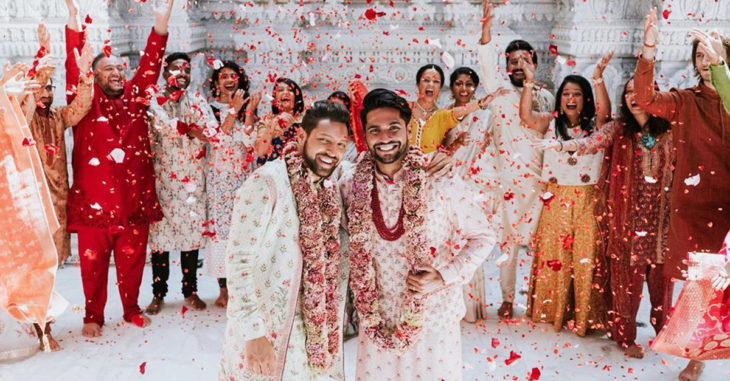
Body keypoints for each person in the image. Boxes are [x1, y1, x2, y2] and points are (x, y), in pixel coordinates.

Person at [340, 89, 497, 380]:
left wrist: (444, 276)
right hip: (377, 321)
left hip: (434, 321)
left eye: (393, 128)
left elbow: (484, 237)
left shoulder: (440, 179)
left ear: (409, 128)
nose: (384, 137)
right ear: (365, 134)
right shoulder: (351, 186)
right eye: (375, 130)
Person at [535, 76, 674, 356]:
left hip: (663, 222)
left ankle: (666, 333)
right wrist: (562, 147)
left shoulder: (670, 131)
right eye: (628, 92)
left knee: (662, 285)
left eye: (641, 91)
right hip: (627, 222)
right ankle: (626, 339)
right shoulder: (619, 129)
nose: (633, 97)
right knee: (627, 284)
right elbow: (592, 142)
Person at [63, 0, 174, 337]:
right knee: (92, 268)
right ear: (94, 76)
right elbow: (74, 66)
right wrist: (72, 23)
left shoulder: (137, 97)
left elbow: (152, 64)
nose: (116, 73)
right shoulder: (84, 102)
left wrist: (160, 23)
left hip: (133, 203)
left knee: (132, 264)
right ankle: (92, 316)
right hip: (93, 206)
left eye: (119, 68)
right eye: (107, 68)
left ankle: (130, 309)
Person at [219, 101, 351, 380]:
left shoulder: (331, 185)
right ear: (302, 136)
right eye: (324, 140)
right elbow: (238, 261)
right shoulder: (267, 183)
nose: (333, 152)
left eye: (341, 144)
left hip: (313, 336)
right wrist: (254, 334)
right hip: (268, 333)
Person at [634, 9, 730, 381]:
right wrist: (648, 48)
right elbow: (644, 97)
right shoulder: (684, 101)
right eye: (700, 55)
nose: (705, 61)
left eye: (713, 53)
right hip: (695, 209)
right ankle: (696, 358)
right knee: (699, 285)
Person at [520, 51, 612, 336]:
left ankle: (585, 315)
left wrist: (597, 79)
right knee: (555, 256)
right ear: (560, 99)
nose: (571, 98)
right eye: (566, 94)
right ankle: (551, 311)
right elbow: (525, 117)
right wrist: (528, 83)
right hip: (556, 197)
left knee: (586, 255)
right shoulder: (550, 124)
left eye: (577, 94)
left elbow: (606, 113)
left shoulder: (595, 125)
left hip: (587, 198)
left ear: (585, 98)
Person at [476, 0, 555, 319]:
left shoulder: (546, 95)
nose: (520, 65)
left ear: (534, 62)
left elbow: (534, 123)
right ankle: (507, 299)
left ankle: (540, 299)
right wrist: (486, 32)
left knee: (538, 244)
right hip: (506, 180)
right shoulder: (499, 93)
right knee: (507, 245)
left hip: (536, 181)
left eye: (525, 59)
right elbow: (485, 65)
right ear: (506, 66)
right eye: (513, 61)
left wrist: (532, 84)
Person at [145, 52, 217, 314]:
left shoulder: (197, 99)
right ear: (165, 73)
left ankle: (190, 290)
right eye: (177, 69)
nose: (183, 74)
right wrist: (189, 128)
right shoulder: (155, 100)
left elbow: (210, 132)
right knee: (160, 240)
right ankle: (158, 293)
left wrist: (192, 129)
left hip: (192, 180)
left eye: (187, 70)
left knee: (190, 237)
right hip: (163, 178)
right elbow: (162, 125)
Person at [27, 23, 93, 268]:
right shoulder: (26, 116)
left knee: (56, 244)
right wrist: (44, 51)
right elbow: (31, 95)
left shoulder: (57, 115)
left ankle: (55, 265)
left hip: (58, 191)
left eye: (50, 88)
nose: (46, 93)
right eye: (41, 89)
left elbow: (80, 108)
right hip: (33, 190)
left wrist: (86, 79)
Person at [442, 66, 506, 322]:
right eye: (459, 83)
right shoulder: (445, 114)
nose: (464, 89)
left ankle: (471, 309)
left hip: (474, 188)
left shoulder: (486, 117)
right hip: (448, 185)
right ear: (452, 87)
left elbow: (493, 150)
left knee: (470, 243)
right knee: (449, 246)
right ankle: (449, 307)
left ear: (476, 87)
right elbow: (441, 147)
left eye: (469, 84)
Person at [205, 61, 260, 308]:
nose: (229, 79)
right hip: (219, 179)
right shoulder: (211, 109)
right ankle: (223, 289)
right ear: (217, 83)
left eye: (233, 76)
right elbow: (217, 140)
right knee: (221, 233)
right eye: (224, 76)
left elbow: (250, 142)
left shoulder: (249, 108)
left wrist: (246, 112)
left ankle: (244, 286)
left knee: (244, 231)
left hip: (243, 177)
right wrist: (232, 111)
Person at [407, 64, 493, 154]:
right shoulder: (404, 108)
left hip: (470, 163)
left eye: (436, 81)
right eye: (426, 80)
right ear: (451, 88)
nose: (463, 88)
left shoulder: (442, 115)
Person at [255, 77, 304, 164]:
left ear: (296, 97)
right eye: (281, 90)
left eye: (290, 90)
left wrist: (291, 129)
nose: (286, 93)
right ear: (275, 98)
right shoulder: (267, 120)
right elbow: (261, 152)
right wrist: (272, 124)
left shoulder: (306, 118)